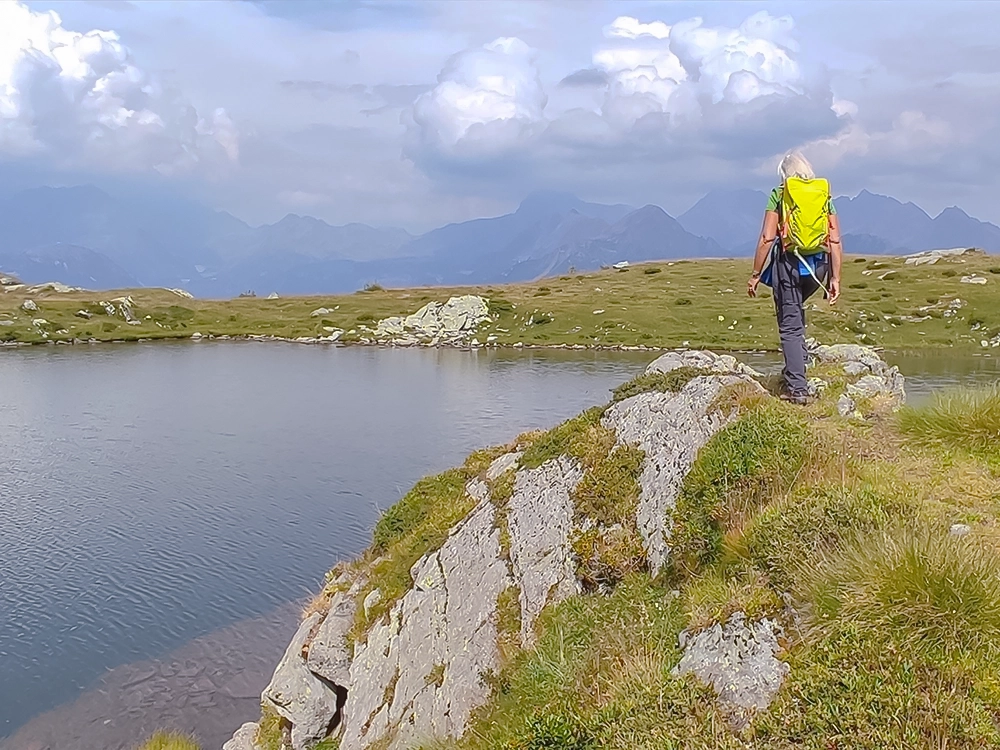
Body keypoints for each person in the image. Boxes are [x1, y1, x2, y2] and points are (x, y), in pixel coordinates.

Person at [747, 152, 842, 404]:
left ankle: (797, 389)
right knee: (795, 312)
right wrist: (835, 278)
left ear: (784, 174)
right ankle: (797, 365)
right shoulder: (823, 195)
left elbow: (767, 237)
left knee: (789, 325)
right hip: (818, 266)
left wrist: (756, 274)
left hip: (789, 264)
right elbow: (834, 239)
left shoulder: (780, 195)